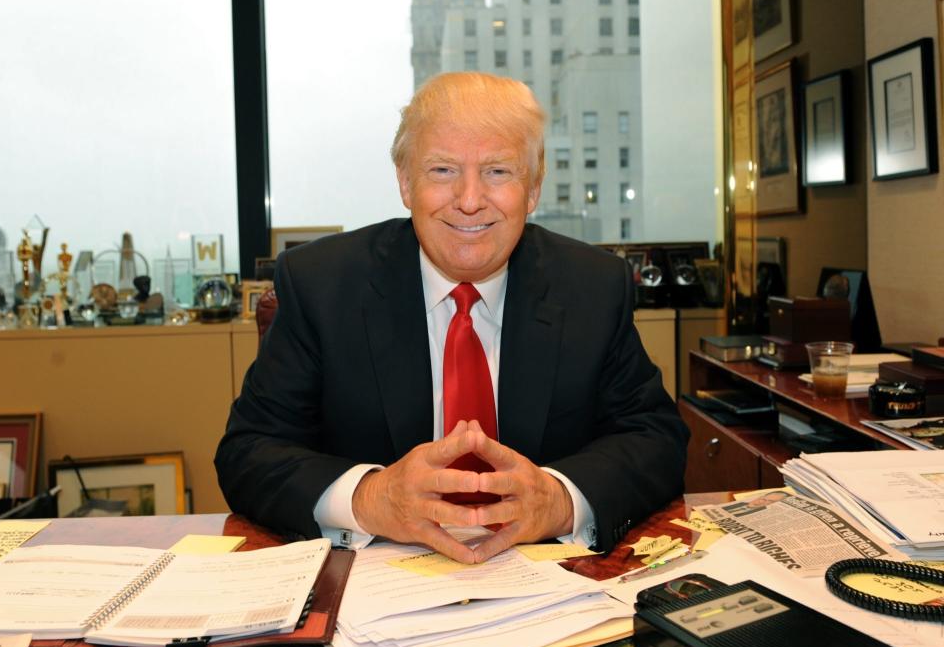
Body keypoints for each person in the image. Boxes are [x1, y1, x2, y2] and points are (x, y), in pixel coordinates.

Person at [215, 72, 688, 564]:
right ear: (405, 182)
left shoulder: (592, 286)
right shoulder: (322, 284)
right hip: (376, 589)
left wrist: (560, 500)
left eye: (498, 172)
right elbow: (249, 451)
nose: (468, 200)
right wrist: (372, 499)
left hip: (542, 585)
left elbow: (656, 439)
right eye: (442, 170)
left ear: (533, 188)